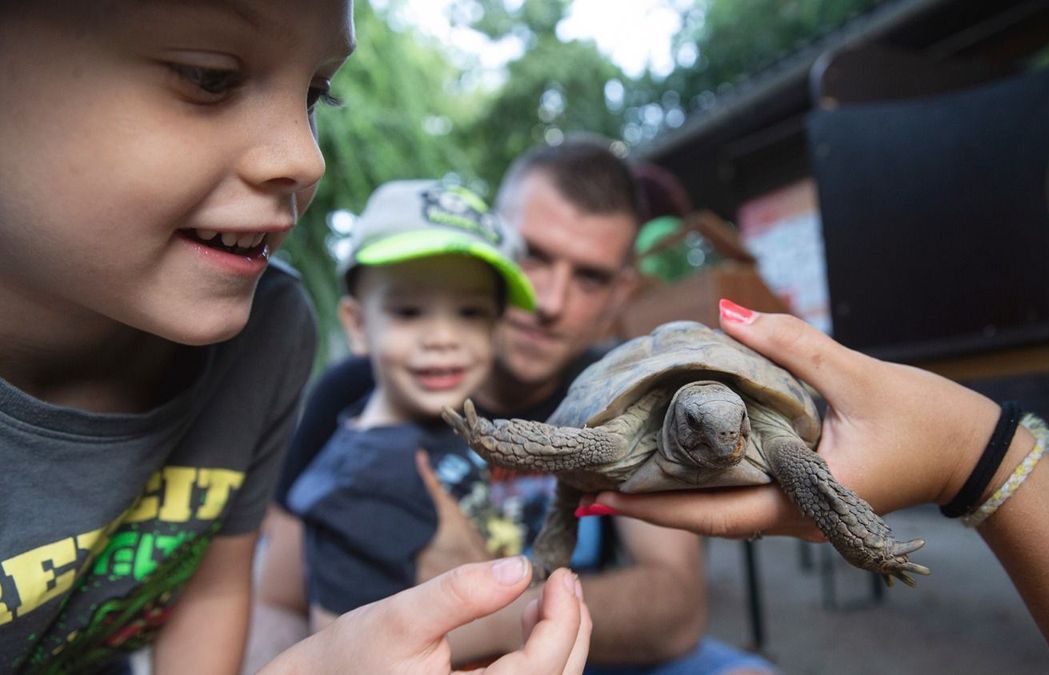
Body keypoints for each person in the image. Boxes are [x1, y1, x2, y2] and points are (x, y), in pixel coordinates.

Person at [0, 3, 588, 673]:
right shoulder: (354, 467)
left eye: (315, 95)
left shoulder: (268, 331)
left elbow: (216, 590)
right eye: (208, 75)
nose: (307, 159)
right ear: (358, 323)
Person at [251, 138, 776, 673]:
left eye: (589, 277)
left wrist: (472, 607)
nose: (549, 302)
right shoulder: (358, 397)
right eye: (533, 256)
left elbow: (675, 608)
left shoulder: (626, 391)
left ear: (620, 294)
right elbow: (276, 601)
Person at [578, 299, 1049, 674]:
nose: (725, 444)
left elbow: (811, 478)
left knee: (802, 472)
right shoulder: (624, 415)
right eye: (701, 427)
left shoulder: (767, 434)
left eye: (737, 427)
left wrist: (959, 457)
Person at [286, 178, 541, 630]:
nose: (443, 338)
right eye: (408, 312)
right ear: (359, 325)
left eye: (471, 313)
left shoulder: (464, 424)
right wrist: (521, 622)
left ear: (498, 327)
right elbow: (342, 647)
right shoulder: (356, 488)